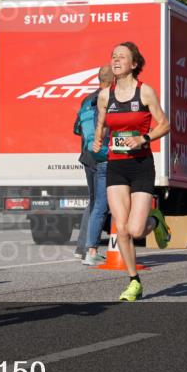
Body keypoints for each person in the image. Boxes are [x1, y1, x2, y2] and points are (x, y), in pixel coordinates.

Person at [92, 42, 170, 301]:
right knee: (121, 228)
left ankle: (155, 220)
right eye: (113, 56)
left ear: (134, 64)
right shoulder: (105, 95)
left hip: (141, 167)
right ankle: (133, 281)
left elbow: (165, 124)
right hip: (116, 166)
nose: (115, 60)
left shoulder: (145, 92)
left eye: (121, 57)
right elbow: (102, 123)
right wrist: (97, 139)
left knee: (137, 230)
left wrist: (144, 138)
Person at [74, 65, 112, 265]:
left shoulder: (86, 99)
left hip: (87, 155)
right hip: (103, 154)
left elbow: (76, 128)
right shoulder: (107, 98)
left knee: (93, 200)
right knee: (100, 203)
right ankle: (91, 249)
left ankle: (81, 248)